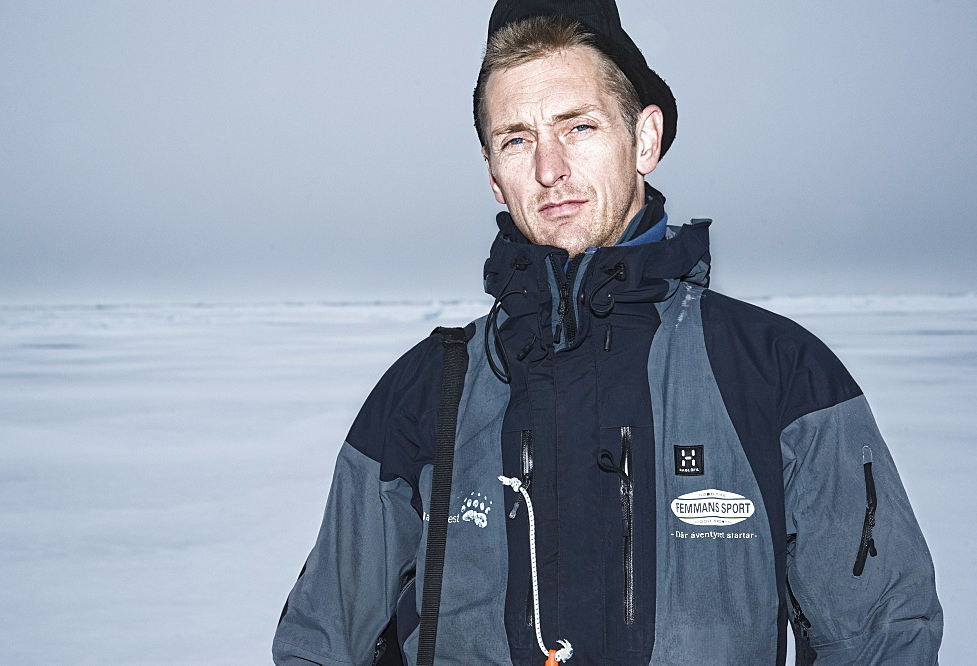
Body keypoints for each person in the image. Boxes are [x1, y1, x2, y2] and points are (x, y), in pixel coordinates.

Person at [273, 1, 943, 663]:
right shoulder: (425, 391)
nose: (548, 169)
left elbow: (883, 639)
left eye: (579, 127)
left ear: (644, 139)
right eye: (517, 138)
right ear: (493, 177)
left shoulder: (779, 373)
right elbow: (319, 643)